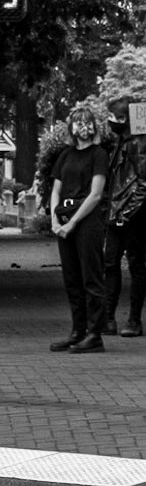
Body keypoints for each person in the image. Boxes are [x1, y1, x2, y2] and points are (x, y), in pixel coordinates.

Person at [48, 107, 107, 354]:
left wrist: (73, 223)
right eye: (78, 123)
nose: (84, 127)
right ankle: (78, 330)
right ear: (71, 128)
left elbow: (96, 194)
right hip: (64, 218)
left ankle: (95, 334)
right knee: (72, 278)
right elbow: (55, 190)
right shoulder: (65, 155)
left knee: (91, 277)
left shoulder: (99, 155)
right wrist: (54, 219)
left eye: (88, 122)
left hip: (87, 221)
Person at [103, 97, 146, 338]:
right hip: (116, 211)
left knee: (135, 264)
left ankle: (134, 320)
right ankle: (109, 318)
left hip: (130, 215)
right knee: (110, 263)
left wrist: (129, 212)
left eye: (117, 117)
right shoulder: (120, 142)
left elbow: (143, 182)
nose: (112, 121)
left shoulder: (138, 143)